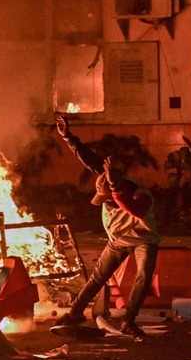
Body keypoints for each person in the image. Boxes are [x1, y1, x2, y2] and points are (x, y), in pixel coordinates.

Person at [52, 114, 161, 341]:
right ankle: (74, 314)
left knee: (142, 278)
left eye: (108, 198)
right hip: (118, 240)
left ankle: (128, 321)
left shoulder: (141, 197)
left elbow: (130, 207)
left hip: (143, 240)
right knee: (97, 277)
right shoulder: (110, 184)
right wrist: (68, 137)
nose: (106, 203)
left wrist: (113, 187)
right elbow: (91, 161)